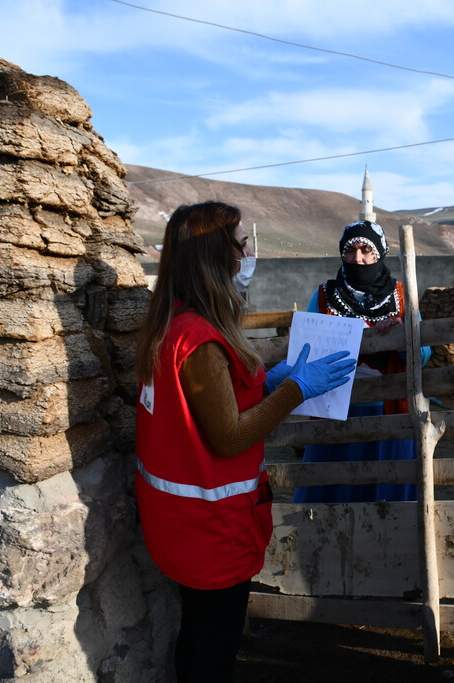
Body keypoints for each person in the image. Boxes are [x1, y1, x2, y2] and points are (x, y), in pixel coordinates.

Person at [134, 201, 355, 682]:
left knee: (196, 636)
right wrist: (296, 389)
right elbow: (230, 437)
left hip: (178, 524)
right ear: (216, 256)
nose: (246, 252)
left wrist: (266, 383)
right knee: (213, 651)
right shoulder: (201, 339)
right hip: (211, 532)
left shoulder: (172, 322)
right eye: (240, 244)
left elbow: (209, 402)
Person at [292, 219, 429, 503]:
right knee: (330, 496)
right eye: (351, 250)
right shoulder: (323, 296)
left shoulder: (401, 297)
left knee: (389, 496)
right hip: (334, 412)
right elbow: (307, 346)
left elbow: (423, 354)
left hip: (389, 411)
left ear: (380, 253)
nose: (358, 258)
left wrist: (399, 333)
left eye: (367, 250)